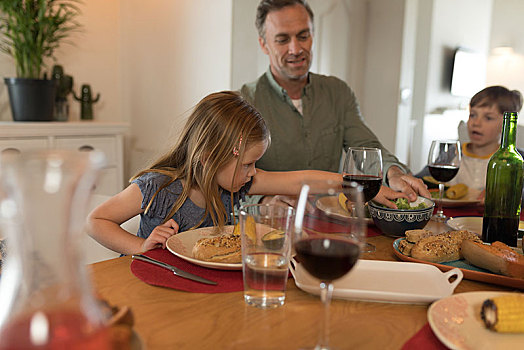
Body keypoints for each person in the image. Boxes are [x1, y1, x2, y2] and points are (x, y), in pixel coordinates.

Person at [87, 91, 405, 255]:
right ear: (211, 156)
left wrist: (355, 185)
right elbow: (95, 221)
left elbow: (301, 180)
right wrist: (139, 247)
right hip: (152, 288)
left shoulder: (238, 183)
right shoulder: (158, 186)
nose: (253, 173)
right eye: (249, 164)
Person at [240, 0, 429, 203]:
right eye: (282, 39)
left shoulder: (338, 92)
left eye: (303, 36)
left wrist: (392, 173)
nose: (295, 49)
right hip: (270, 226)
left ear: (313, 35)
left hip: (332, 220)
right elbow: (230, 181)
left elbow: (365, 146)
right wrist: (263, 202)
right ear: (264, 44)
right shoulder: (244, 102)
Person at [417, 85, 523, 199]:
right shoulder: (452, 153)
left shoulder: (516, 160)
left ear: (506, 123)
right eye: (473, 115)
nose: (476, 123)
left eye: (488, 118)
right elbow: (422, 179)